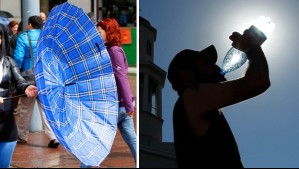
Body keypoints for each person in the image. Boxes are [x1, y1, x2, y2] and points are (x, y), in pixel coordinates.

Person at [167, 28, 270, 167]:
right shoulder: (192, 96)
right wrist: (251, 48)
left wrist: (253, 47)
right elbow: (258, 81)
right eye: (207, 64)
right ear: (188, 76)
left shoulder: (197, 103)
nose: (216, 67)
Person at [14, 16, 59, 148]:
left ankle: (22, 135)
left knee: (25, 108)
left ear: (29, 25)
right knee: (45, 108)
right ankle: (53, 136)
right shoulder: (47, 37)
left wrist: (17, 72)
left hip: (28, 77)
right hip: (44, 76)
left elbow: (18, 58)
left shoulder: (23, 37)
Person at [97, 18, 136, 163]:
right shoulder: (109, 49)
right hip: (121, 105)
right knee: (132, 139)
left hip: (117, 106)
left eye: (99, 31)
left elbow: (121, 78)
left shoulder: (113, 51)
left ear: (108, 32)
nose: (97, 34)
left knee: (98, 139)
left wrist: (127, 104)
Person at [0, 25, 38, 168]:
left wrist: (27, 87)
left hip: (6, 122)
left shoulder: (9, 62)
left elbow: (19, 81)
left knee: (4, 165)